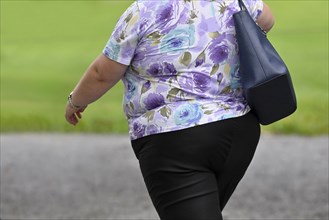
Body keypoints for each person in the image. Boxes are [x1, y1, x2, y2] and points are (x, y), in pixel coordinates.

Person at [65, 0, 274, 219]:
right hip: (239, 129)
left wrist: (75, 103)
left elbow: (102, 73)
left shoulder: (143, 10)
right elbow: (266, 20)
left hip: (175, 139)